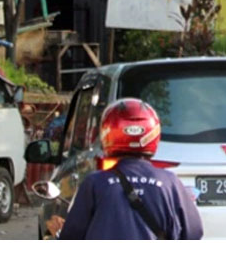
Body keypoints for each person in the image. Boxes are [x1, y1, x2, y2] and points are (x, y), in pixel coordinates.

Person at [45, 98, 203, 240]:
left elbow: (72, 236)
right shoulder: (170, 183)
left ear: (107, 133)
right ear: (154, 134)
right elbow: (194, 232)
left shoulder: (94, 183)